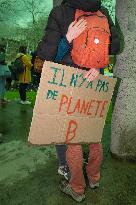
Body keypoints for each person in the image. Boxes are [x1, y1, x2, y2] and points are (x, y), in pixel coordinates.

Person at [36, 0, 121, 202]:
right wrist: (97, 66)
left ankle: (77, 188)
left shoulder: (60, 12)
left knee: (73, 140)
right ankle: (94, 178)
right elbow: (115, 45)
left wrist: (67, 39)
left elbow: (47, 56)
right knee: (94, 135)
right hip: (94, 81)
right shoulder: (102, 11)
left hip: (70, 84)